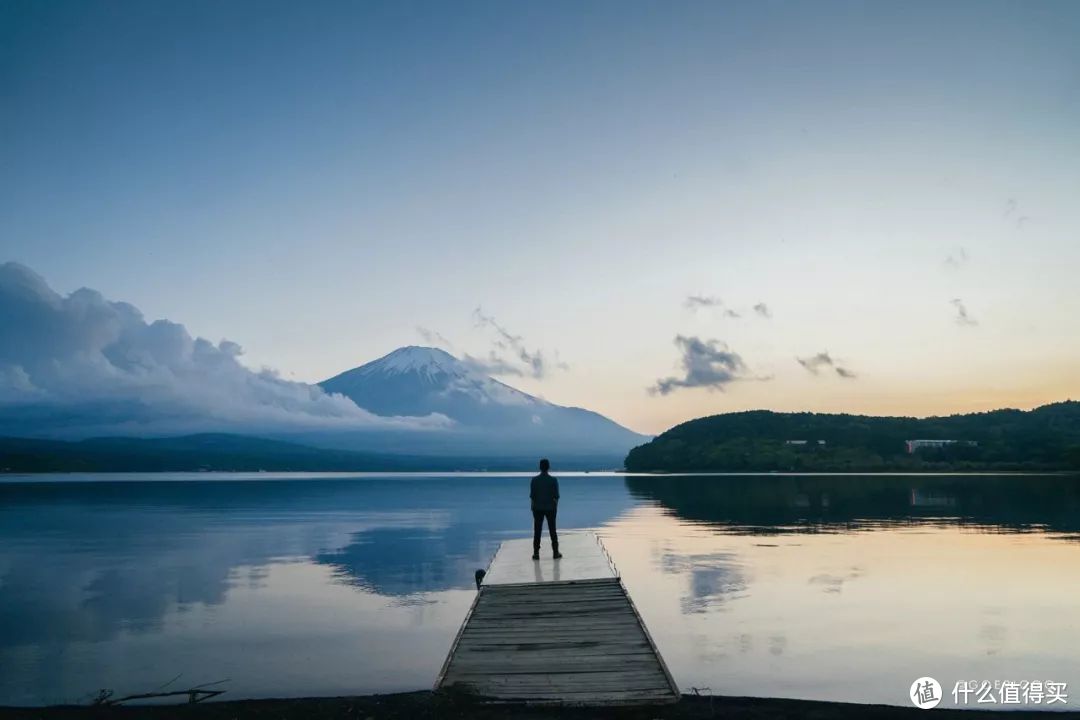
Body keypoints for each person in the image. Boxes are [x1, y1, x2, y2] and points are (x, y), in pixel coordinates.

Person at [530, 458, 561, 560]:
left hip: (537, 508)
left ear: (540, 467)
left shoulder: (534, 480)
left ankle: (536, 553)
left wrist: (533, 508)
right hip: (551, 508)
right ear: (548, 467)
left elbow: (532, 497)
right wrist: (555, 507)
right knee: (553, 530)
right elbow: (556, 496)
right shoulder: (553, 480)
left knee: (537, 531)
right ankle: (555, 553)